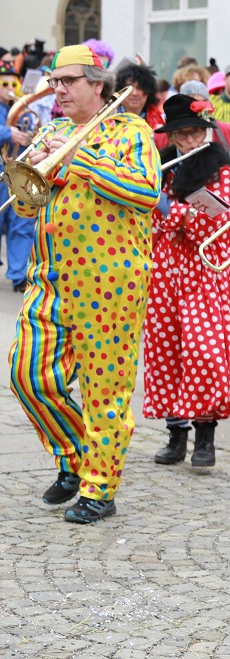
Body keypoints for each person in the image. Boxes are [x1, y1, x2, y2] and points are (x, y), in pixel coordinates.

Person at [10, 45, 161, 523]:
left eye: (69, 81)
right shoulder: (52, 129)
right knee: (27, 375)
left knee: (104, 392)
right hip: (49, 277)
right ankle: (75, 457)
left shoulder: (130, 130)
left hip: (108, 283)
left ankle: (99, 488)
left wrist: (80, 157)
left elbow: (145, 193)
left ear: (98, 85)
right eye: (55, 82)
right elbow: (29, 205)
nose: (59, 90)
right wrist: (27, 190)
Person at [144, 94, 230, 469]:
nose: (189, 141)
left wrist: (174, 211)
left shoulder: (221, 166)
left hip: (205, 266)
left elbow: (217, 221)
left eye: (195, 132)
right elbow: (151, 218)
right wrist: (166, 211)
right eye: (182, 135)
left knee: (204, 351)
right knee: (166, 348)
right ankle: (175, 435)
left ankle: (206, 438)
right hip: (166, 267)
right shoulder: (164, 165)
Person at [0, 61, 35, 293]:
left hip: (17, 171)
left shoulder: (22, 110)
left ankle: (19, 275)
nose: (10, 87)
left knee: (21, 224)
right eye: (4, 84)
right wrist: (6, 132)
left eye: (14, 83)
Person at [116, 63, 164, 132]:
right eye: (129, 88)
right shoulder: (108, 119)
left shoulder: (158, 121)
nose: (134, 93)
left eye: (140, 88)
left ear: (149, 92)